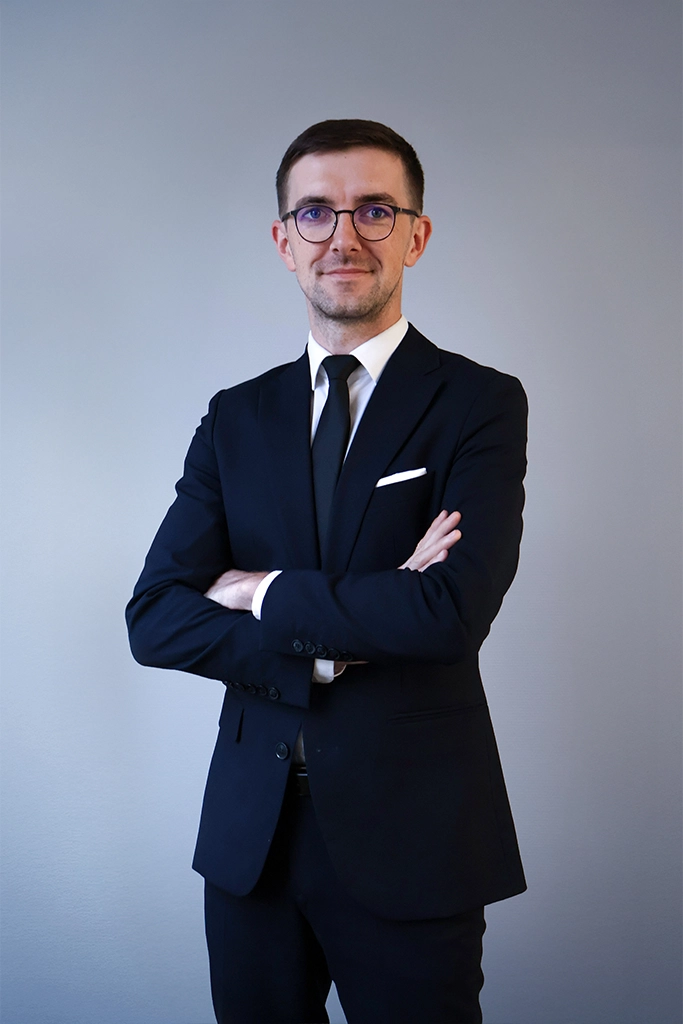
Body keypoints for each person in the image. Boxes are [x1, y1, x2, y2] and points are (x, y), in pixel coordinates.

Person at [126, 118, 527, 1024]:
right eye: (315, 212)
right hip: (251, 841)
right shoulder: (235, 417)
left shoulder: (478, 403)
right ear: (283, 240)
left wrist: (256, 591)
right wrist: (324, 651)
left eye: (374, 210)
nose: (343, 236)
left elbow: (447, 611)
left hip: (413, 834)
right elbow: (154, 618)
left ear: (416, 235)